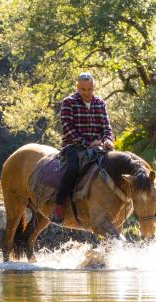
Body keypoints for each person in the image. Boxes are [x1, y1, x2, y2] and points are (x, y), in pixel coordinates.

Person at [52, 72, 114, 223]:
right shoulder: (69, 102)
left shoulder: (100, 103)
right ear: (77, 87)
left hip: (98, 147)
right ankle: (58, 205)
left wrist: (107, 140)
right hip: (73, 146)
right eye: (83, 89)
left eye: (89, 89)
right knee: (73, 168)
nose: (86, 93)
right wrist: (87, 143)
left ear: (94, 87)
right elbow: (68, 128)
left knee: (113, 166)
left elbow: (106, 127)